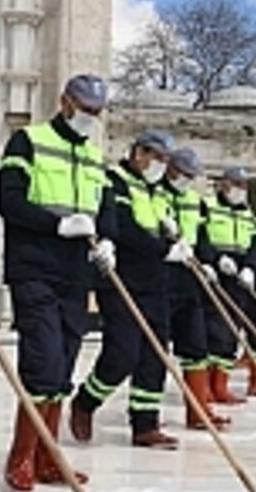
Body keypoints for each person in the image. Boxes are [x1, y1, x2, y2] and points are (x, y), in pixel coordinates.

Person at [0, 73, 116, 492]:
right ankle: (22, 457)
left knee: (64, 363)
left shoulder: (94, 157)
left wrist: (108, 243)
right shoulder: (28, 141)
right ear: (65, 102)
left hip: (76, 274)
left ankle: (48, 458)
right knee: (44, 360)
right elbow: (8, 200)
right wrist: (58, 224)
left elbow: (106, 211)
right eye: (85, 110)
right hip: (34, 268)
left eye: (97, 113)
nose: (90, 118)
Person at [69, 130, 181, 450]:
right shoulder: (114, 181)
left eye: (164, 160)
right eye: (155, 157)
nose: (159, 165)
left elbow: (162, 225)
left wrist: (175, 236)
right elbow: (124, 229)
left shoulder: (159, 192)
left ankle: (145, 425)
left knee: (156, 354)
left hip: (155, 282)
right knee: (123, 353)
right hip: (121, 279)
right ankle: (86, 401)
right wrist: (161, 247)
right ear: (138, 153)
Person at [160, 147, 232, 429]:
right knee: (154, 351)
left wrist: (210, 261)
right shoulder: (156, 192)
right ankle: (145, 420)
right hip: (162, 275)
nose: (188, 180)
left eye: (192, 176)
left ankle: (198, 411)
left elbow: (202, 238)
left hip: (190, 279)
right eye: (184, 174)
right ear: (172, 169)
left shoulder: (194, 200)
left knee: (197, 348)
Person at [203, 167, 256, 400]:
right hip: (215, 276)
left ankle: (221, 384)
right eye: (236, 184)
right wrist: (214, 259)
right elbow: (201, 237)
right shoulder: (208, 206)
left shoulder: (248, 214)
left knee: (231, 331)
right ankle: (205, 384)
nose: (240, 190)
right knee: (213, 330)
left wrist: (250, 267)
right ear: (223, 184)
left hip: (239, 278)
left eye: (244, 185)